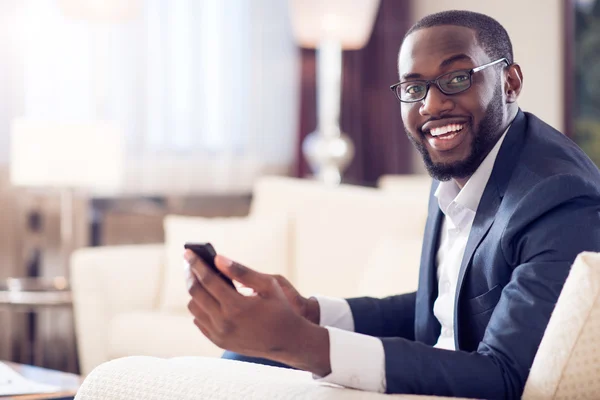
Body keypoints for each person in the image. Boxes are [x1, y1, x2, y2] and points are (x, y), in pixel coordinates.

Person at [183, 10, 600, 399]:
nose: (432, 106)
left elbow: (506, 376)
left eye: (456, 79)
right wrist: (311, 314)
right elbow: (444, 307)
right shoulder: (461, 167)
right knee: (245, 357)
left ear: (510, 82)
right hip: (444, 371)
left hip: (475, 387)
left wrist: (302, 343)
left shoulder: (557, 197)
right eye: (414, 88)